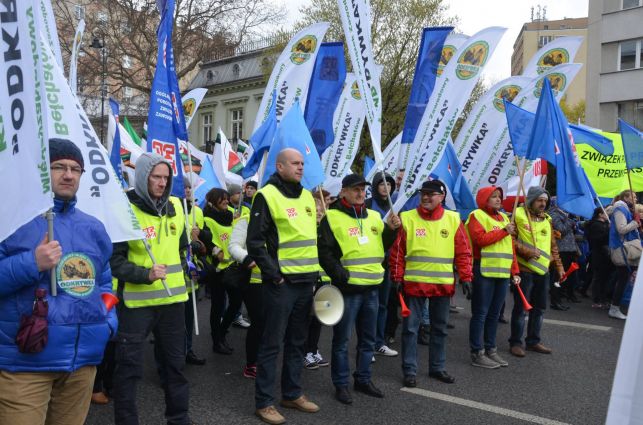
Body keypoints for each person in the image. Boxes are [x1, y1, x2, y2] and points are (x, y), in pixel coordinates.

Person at [0, 139, 117, 425]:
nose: (68, 174)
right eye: (59, 166)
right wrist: (32, 263)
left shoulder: (93, 227)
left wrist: (107, 320)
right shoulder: (10, 220)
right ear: (41, 171)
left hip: (81, 365)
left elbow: (103, 283)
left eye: (76, 169)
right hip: (25, 366)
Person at [111, 152, 191, 425]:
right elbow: (114, 261)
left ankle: (179, 419)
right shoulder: (124, 210)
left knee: (175, 367)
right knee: (129, 370)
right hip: (136, 305)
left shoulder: (178, 208)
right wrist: (144, 274)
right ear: (143, 177)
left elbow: (180, 250)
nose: (161, 183)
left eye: (166, 178)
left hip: (174, 302)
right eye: (156, 177)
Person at [248, 148, 321, 425]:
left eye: (302, 163)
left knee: (297, 342)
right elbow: (255, 242)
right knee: (271, 344)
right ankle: (264, 402)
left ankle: (291, 393)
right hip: (282, 284)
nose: (301, 167)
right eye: (295, 163)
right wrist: (274, 275)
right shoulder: (266, 195)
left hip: (305, 281)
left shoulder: (306, 196)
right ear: (279, 167)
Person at [318, 174, 401, 405]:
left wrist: (392, 230)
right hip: (348, 291)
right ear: (343, 191)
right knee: (342, 341)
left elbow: (382, 246)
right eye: (355, 189)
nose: (360, 193)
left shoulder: (374, 216)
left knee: (367, 341)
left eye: (363, 189)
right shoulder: (332, 218)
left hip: (372, 289)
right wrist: (340, 275)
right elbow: (324, 252)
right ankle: (341, 384)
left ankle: (363, 379)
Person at [389, 180, 473, 387]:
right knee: (410, 330)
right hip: (414, 285)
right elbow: (397, 252)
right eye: (423, 194)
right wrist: (397, 277)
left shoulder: (453, 219)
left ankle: (437, 367)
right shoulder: (407, 218)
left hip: (442, 286)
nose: (426, 197)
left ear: (442, 197)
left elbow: (463, 251)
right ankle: (409, 370)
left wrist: (467, 277)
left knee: (440, 329)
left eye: (431, 194)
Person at [465, 186, 520, 369]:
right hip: (484, 271)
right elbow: (479, 240)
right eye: (493, 197)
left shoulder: (504, 217)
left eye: (499, 196)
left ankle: (491, 349)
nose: (498, 199)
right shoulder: (476, 216)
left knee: (494, 314)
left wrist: (515, 270)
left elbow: (510, 248)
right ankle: (477, 352)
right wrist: (504, 230)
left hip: (502, 272)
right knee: (480, 313)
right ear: (484, 199)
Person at [510, 187, 565, 358]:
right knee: (521, 308)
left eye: (545, 201)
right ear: (531, 200)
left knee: (540, 308)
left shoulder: (547, 219)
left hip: (543, 271)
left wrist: (559, 266)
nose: (543, 204)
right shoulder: (517, 214)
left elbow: (553, 246)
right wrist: (527, 252)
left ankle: (533, 341)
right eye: (540, 200)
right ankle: (516, 343)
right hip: (524, 271)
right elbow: (510, 240)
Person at [365, 172, 401, 355]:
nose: (386, 187)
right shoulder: (367, 205)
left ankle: (379, 342)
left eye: (389, 184)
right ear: (375, 185)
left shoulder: (395, 206)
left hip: (386, 261)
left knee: (383, 305)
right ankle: (366, 347)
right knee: (367, 307)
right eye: (382, 184)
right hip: (369, 262)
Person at [203, 188, 241, 354]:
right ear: (213, 201)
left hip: (232, 268)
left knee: (236, 303)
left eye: (227, 198)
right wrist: (214, 250)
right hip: (217, 270)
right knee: (218, 306)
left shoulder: (231, 215)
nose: (226, 201)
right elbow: (206, 240)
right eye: (222, 199)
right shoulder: (207, 219)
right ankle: (216, 341)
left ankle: (222, 332)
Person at [228, 207, 264, 379]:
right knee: (258, 322)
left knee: (273, 323)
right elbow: (233, 246)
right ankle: (251, 364)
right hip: (253, 280)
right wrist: (247, 258)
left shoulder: (284, 216)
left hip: (278, 279)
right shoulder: (247, 219)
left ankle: (266, 359)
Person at [182, 175, 208, 365]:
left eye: (190, 187)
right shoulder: (172, 209)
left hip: (193, 270)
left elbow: (205, 236)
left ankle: (188, 349)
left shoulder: (197, 211)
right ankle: (175, 354)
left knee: (190, 315)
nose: (187, 190)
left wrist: (200, 239)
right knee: (175, 320)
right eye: (184, 187)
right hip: (176, 270)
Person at [607, 190, 640, 320]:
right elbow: (621, 229)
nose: (636, 199)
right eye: (633, 196)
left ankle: (613, 305)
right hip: (620, 248)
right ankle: (614, 308)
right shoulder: (620, 208)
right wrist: (635, 223)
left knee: (622, 278)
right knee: (622, 279)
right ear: (626, 197)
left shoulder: (625, 208)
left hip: (622, 247)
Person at [548, 199, 581, 308]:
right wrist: (570, 220)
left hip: (570, 249)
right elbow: (561, 230)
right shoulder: (553, 213)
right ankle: (555, 301)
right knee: (558, 276)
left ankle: (564, 295)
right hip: (561, 249)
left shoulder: (564, 214)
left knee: (568, 275)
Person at [585, 207, 613, 308]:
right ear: (600, 214)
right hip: (599, 254)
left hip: (604, 254)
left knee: (604, 278)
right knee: (599, 278)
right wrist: (608, 231)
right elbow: (597, 240)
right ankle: (597, 300)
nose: (607, 215)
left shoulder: (604, 224)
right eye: (605, 213)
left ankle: (602, 299)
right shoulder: (596, 225)